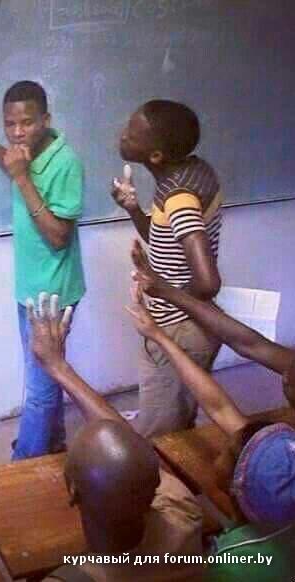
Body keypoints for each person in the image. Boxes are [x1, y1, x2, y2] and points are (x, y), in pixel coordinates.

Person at [127, 247, 295, 580]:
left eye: (291, 377)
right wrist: (164, 301)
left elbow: (224, 409)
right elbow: (247, 345)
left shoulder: (233, 564)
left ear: (238, 492)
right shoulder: (279, 459)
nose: (285, 372)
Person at [24, 293, 205, 581]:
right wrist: (59, 367)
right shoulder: (184, 515)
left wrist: (55, 366)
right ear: (155, 486)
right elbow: (135, 454)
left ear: (73, 493)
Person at [0, 81, 86, 459]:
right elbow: (12, 159)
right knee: (49, 370)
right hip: (31, 286)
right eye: (9, 124)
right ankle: (54, 442)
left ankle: (23, 465)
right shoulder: (25, 155)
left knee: (39, 389)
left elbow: (59, 236)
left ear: (46, 119)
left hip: (52, 293)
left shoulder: (65, 163)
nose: (17, 133)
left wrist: (22, 178)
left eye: (27, 123)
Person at [112, 99, 223, 437]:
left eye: (132, 134)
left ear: (156, 155)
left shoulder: (179, 198)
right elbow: (165, 238)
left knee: (159, 439)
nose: (123, 135)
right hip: (187, 326)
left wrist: (160, 288)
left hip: (179, 330)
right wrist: (134, 209)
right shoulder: (191, 172)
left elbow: (207, 282)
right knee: (177, 426)